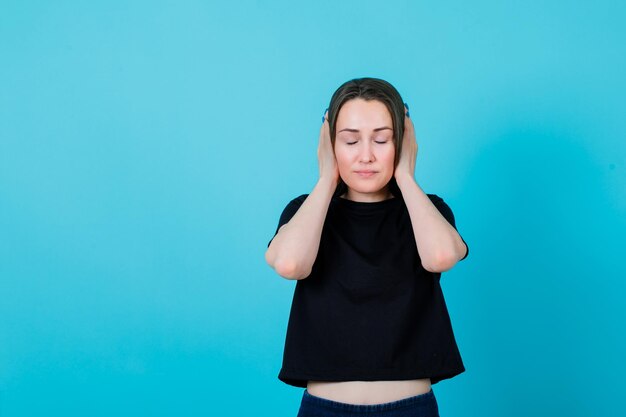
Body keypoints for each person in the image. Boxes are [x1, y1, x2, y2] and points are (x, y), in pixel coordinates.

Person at [265, 77, 469, 417]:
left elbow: (441, 257)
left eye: (382, 139)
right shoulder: (306, 211)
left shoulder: (428, 210)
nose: (366, 155)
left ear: (402, 142)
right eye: (349, 140)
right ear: (330, 145)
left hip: (410, 408)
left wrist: (405, 174)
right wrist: (326, 179)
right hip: (324, 409)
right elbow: (290, 263)